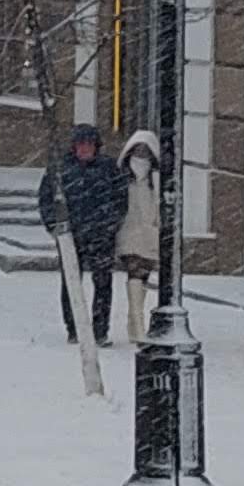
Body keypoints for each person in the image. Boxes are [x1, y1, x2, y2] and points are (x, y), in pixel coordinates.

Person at [38, 124, 128, 345]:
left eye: (89, 144)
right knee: (71, 282)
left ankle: (100, 330)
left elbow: (121, 199)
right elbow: (46, 199)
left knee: (103, 282)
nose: (84, 149)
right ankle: (74, 328)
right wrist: (55, 227)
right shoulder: (60, 169)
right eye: (80, 144)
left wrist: (110, 224)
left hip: (101, 235)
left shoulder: (108, 168)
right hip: (71, 235)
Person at [114, 127, 170, 336]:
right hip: (128, 231)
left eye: (145, 151)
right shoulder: (121, 177)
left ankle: (134, 319)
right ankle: (136, 322)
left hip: (148, 232)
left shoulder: (156, 180)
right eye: (137, 150)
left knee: (142, 275)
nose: (141, 155)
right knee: (135, 272)